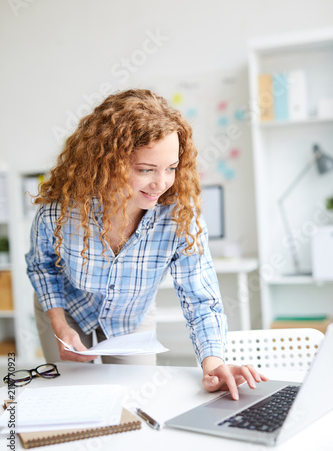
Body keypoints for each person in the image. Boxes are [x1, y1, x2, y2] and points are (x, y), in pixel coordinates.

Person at [26, 89, 267, 400]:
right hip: (68, 309)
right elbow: (41, 266)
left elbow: (200, 298)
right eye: (145, 170)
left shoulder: (181, 216)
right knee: (72, 396)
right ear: (106, 163)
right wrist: (59, 324)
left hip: (130, 318)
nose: (161, 183)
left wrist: (213, 363)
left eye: (171, 168)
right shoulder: (59, 212)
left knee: (136, 398)